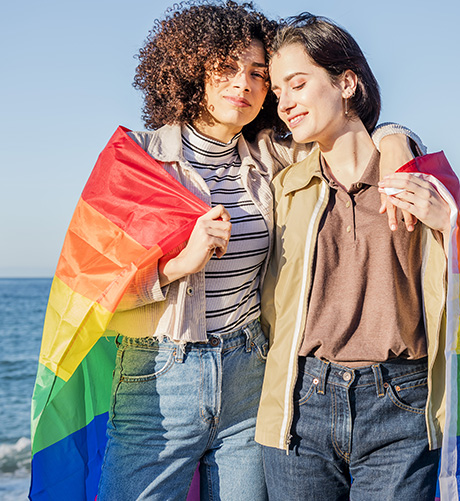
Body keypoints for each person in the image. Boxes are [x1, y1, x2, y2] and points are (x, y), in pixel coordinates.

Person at [96, 2, 423, 499]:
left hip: (251, 376)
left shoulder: (273, 157)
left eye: (257, 74)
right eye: (225, 68)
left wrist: (397, 136)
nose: (243, 85)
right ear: (190, 71)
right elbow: (95, 288)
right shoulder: (137, 158)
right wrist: (178, 265)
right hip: (159, 380)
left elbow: (342, 134)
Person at [256, 13, 460, 499]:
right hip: (300, 405)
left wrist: (447, 224)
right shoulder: (285, 188)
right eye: (278, 91)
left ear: (346, 82)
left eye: (298, 84)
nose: (285, 103)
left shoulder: (419, 179)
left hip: (401, 405)